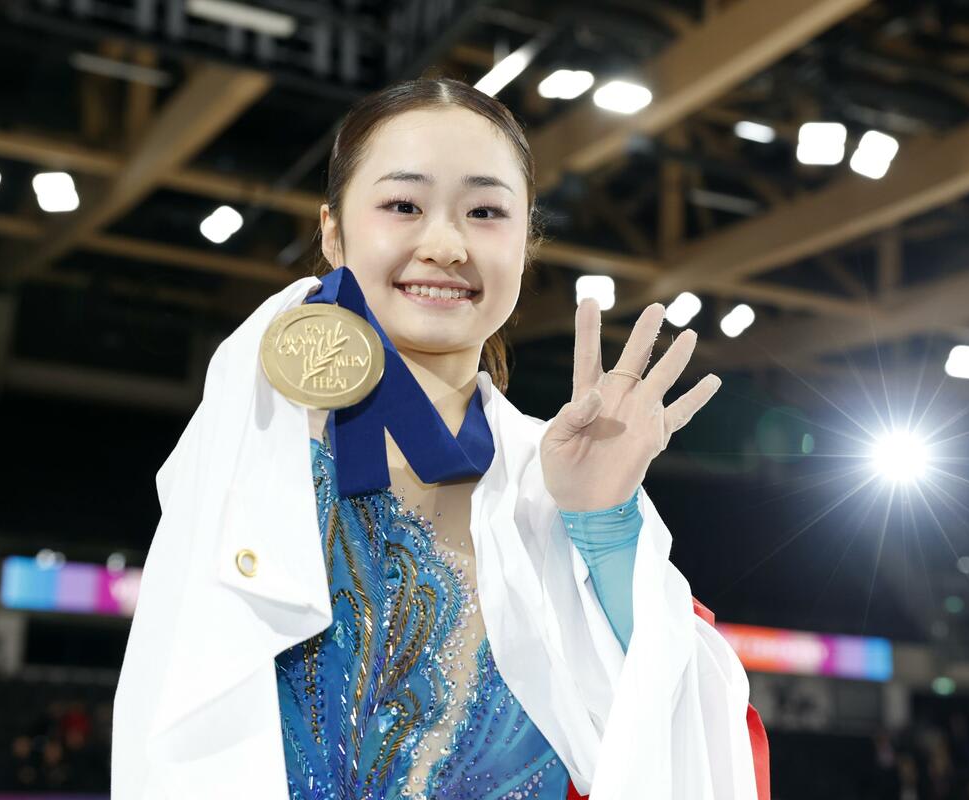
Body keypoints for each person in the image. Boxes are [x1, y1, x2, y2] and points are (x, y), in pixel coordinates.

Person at [112, 76, 765, 799]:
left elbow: (693, 742)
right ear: (332, 231)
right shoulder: (252, 444)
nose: (446, 245)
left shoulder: (553, 476)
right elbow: (173, 719)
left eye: (485, 212)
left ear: (526, 243)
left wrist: (603, 525)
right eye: (403, 205)